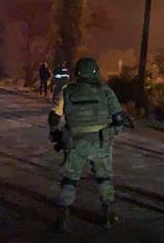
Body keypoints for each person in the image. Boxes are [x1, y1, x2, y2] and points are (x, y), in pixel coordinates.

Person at [48, 57, 130, 230]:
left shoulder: (67, 91)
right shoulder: (105, 91)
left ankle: (63, 218)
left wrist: (56, 135)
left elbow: (54, 117)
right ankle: (108, 215)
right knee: (104, 178)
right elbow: (118, 119)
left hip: (74, 142)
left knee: (69, 179)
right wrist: (112, 133)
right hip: (100, 142)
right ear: (96, 71)